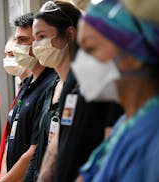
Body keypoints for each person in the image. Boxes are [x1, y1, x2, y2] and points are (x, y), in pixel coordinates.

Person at [23, 1, 123, 182]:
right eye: (34, 39)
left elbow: (110, 150)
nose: (36, 46)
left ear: (70, 34)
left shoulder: (104, 80)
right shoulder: (69, 83)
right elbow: (57, 140)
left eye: (41, 37)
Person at [71, 0, 159, 181]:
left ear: (133, 56)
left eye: (90, 48)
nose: (80, 63)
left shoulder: (152, 136)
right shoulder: (126, 122)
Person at [0, 13, 57, 182]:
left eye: (23, 40)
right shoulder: (27, 84)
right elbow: (11, 136)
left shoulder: (51, 84)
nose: (17, 47)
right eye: (16, 40)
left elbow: (34, 150)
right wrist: (3, 175)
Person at [0, 38, 31, 180]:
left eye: (12, 54)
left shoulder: (36, 88)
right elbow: (10, 136)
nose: (7, 60)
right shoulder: (22, 87)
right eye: (6, 54)